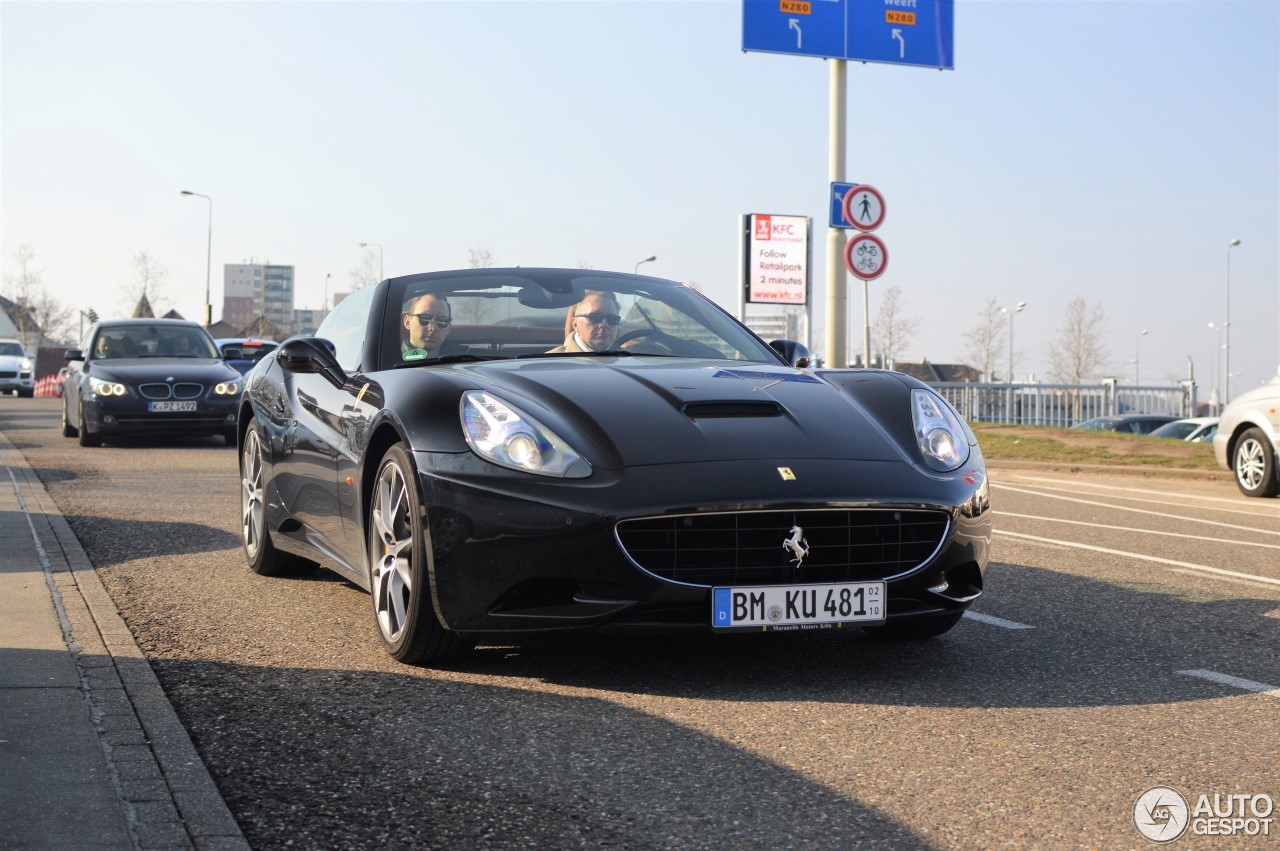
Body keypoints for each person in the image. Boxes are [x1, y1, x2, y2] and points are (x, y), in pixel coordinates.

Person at [549, 291, 621, 353]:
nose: (604, 324)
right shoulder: (551, 364)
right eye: (595, 317)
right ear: (575, 325)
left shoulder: (630, 360)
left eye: (612, 319)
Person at [401, 293, 453, 359]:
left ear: (448, 328)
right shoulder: (388, 359)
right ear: (407, 322)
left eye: (442, 321)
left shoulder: (464, 357)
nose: (433, 328)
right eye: (425, 318)